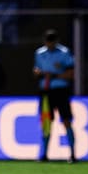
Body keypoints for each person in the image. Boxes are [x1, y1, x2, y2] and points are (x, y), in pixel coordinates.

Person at [34, 29, 76, 163]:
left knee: (66, 121)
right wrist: (39, 73)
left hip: (61, 90)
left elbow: (71, 73)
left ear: (56, 41)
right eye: (47, 42)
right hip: (46, 92)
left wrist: (55, 75)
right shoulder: (40, 53)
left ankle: (73, 154)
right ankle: (45, 154)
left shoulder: (64, 53)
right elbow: (36, 70)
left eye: (52, 42)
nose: (49, 45)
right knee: (46, 123)